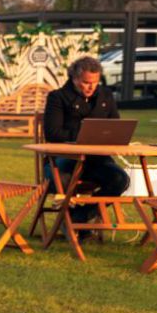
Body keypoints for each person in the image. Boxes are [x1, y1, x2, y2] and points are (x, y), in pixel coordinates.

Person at [42, 53, 130, 226]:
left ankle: (80, 217)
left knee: (120, 179)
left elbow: (115, 126)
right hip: (64, 160)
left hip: (96, 160)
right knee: (63, 181)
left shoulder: (106, 95)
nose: (91, 87)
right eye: (86, 82)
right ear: (74, 79)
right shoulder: (57, 97)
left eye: (95, 82)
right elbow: (52, 133)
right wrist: (85, 135)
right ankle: (78, 223)